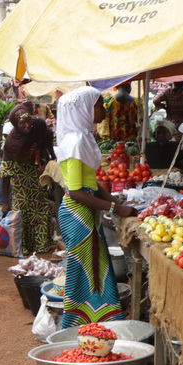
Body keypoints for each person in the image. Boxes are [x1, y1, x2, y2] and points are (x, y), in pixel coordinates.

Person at [55, 87, 137, 329]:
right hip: (77, 214)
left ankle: (97, 322)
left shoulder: (82, 137)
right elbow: (76, 192)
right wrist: (114, 207)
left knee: (95, 266)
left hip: (85, 212)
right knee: (86, 270)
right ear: (83, 109)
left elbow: (91, 185)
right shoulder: (75, 141)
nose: (103, 110)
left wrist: (116, 202)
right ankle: (84, 324)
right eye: (99, 106)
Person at [0, 101, 56, 255]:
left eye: (29, 121)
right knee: (21, 213)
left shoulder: (38, 127)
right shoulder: (11, 145)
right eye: (22, 123)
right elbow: (5, 174)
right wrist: (5, 202)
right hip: (20, 183)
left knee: (42, 209)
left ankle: (41, 246)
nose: (27, 126)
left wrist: (48, 160)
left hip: (36, 178)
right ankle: (21, 248)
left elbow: (46, 142)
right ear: (15, 124)